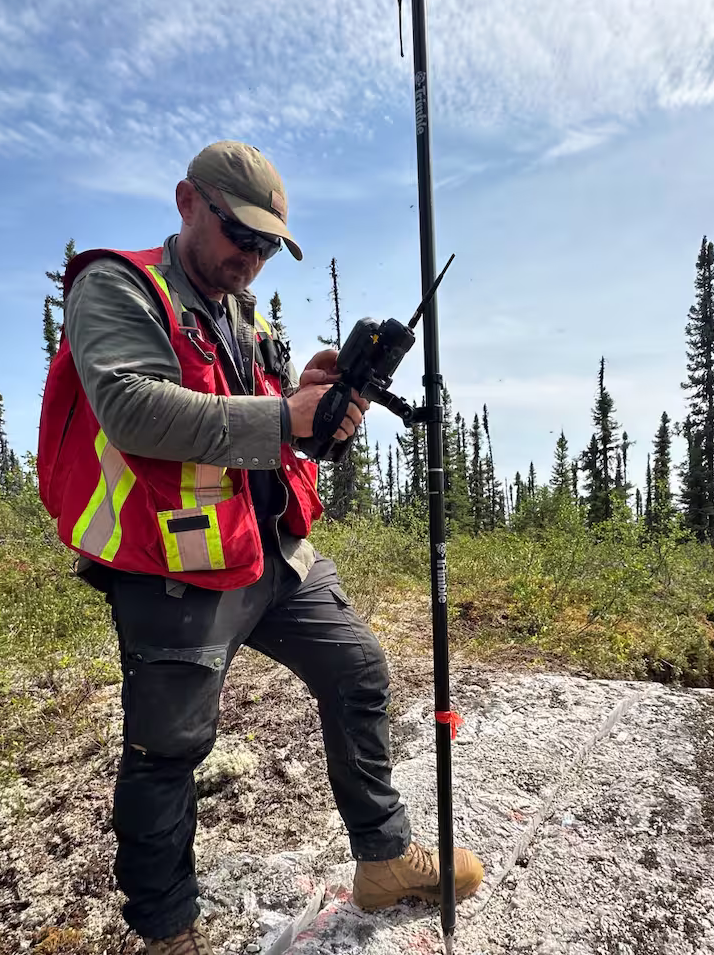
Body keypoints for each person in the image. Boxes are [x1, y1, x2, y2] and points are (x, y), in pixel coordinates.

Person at [36, 140, 484, 955]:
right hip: (171, 565)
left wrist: (303, 395)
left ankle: (383, 859)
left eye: (269, 245)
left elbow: (261, 417)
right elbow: (132, 408)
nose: (253, 258)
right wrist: (286, 418)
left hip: (271, 548)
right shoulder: (118, 286)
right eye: (240, 236)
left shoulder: (248, 317)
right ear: (186, 202)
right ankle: (169, 930)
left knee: (358, 672)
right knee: (168, 747)